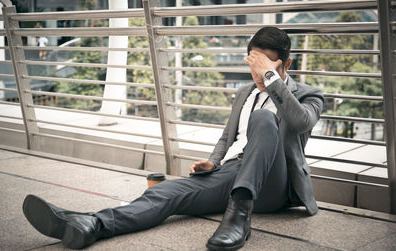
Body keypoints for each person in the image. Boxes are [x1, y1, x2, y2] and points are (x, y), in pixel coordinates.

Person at [22, 27, 324, 250]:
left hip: (273, 184)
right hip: (232, 172)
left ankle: (238, 218)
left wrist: (271, 79)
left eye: (267, 67)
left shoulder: (308, 95)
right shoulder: (244, 93)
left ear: (287, 64)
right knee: (166, 193)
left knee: (262, 119)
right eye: (254, 66)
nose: (257, 76)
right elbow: (228, 136)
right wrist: (213, 161)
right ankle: (92, 224)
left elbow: (300, 122)